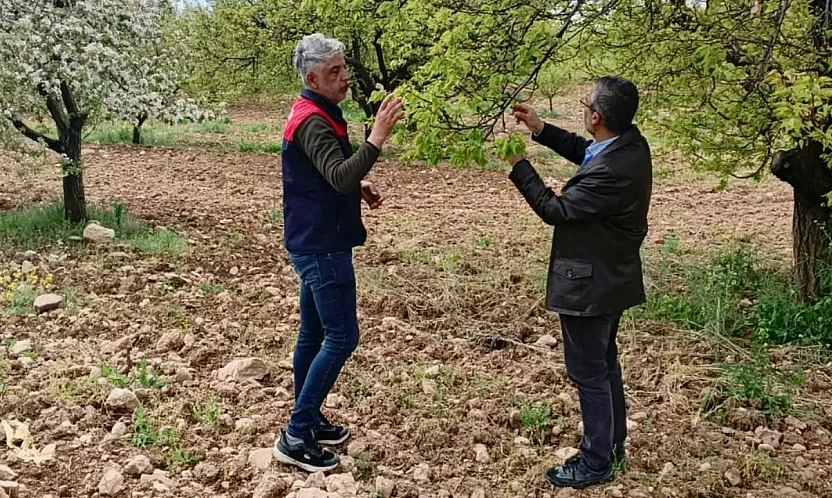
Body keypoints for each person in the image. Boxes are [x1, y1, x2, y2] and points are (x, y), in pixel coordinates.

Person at [507, 76, 652, 488]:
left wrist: (519, 165)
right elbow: (588, 153)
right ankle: (611, 444)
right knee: (604, 365)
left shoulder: (612, 173)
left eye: (586, 102)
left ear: (596, 116)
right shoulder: (629, 146)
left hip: (590, 286)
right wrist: (541, 128)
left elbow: (556, 209)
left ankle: (594, 461)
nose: (582, 105)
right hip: (612, 277)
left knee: (588, 371)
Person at [273, 33, 403, 472]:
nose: (345, 77)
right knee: (343, 337)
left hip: (313, 240)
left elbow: (330, 176)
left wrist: (356, 187)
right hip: (322, 248)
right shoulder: (313, 120)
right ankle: (297, 432)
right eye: (335, 72)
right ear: (312, 77)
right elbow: (339, 175)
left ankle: (307, 420)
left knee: (312, 335)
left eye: (344, 68)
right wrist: (377, 139)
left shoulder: (317, 112)